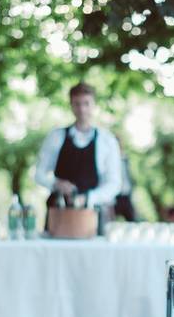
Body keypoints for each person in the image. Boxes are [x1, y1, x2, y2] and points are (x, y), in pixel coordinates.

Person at [34, 82, 122, 218]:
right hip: (59, 211)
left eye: (86, 103)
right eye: (77, 104)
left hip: (92, 214)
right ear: (71, 105)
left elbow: (114, 183)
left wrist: (88, 198)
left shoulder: (107, 140)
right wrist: (56, 183)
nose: (82, 109)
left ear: (94, 105)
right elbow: (39, 174)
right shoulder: (56, 136)